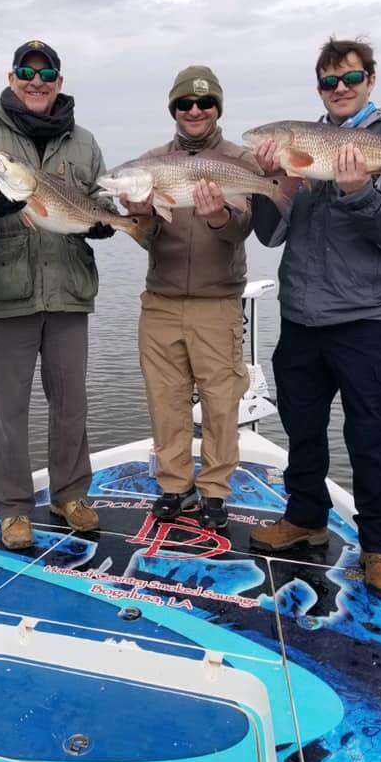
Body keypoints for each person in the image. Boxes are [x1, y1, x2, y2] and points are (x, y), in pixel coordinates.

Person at [249, 37, 381, 598]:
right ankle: (305, 518)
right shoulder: (299, 146)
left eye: (351, 79)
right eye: (329, 82)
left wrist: (357, 193)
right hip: (301, 318)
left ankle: (378, 547)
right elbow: (271, 234)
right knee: (303, 432)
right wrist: (274, 184)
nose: (341, 89)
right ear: (319, 89)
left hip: (366, 322)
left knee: (370, 436)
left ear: (371, 81)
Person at [0, 40, 113, 551]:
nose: (36, 81)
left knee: (71, 402)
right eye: (27, 71)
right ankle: (12, 508)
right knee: (7, 407)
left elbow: (98, 201)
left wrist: (103, 223)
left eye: (46, 73)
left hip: (70, 290)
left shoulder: (85, 143)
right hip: (8, 292)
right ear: (11, 77)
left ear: (59, 82)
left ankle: (70, 494)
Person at [121, 66, 252, 530]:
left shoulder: (239, 159)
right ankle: (175, 485)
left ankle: (215, 490)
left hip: (218, 302)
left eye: (204, 103)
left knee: (221, 401)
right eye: (184, 104)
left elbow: (243, 229)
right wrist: (139, 215)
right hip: (161, 299)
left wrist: (219, 217)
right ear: (173, 110)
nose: (195, 111)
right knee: (166, 399)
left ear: (217, 107)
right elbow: (145, 235)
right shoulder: (150, 163)